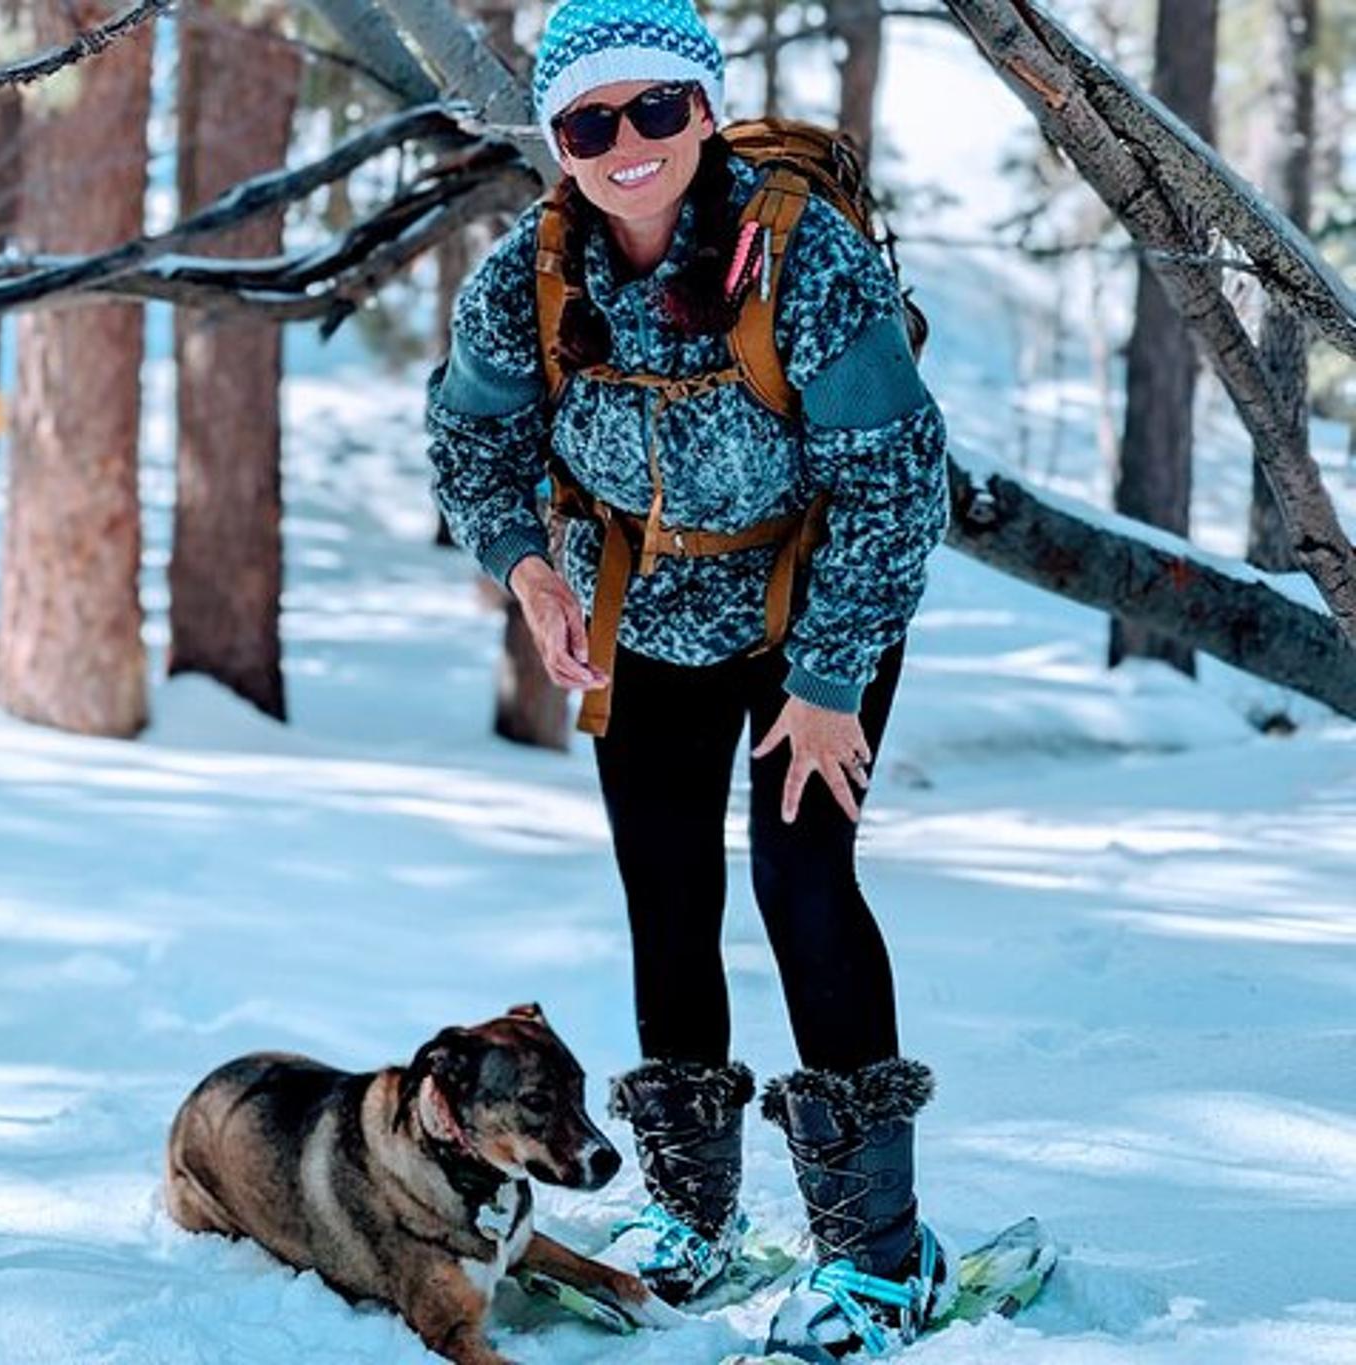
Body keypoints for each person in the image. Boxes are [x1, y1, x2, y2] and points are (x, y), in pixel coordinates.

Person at [424, 0, 954, 1357]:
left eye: (657, 107)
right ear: (560, 143)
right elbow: (471, 442)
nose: (629, 143)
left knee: (801, 879)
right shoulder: (531, 277)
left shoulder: (807, 260)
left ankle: (882, 1259)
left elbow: (898, 481)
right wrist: (528, 571)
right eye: (591, 122)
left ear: (705, 111)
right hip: (644, 616)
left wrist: (828, 682)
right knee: (665, 888)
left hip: (814, 606)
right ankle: (691, 1214)